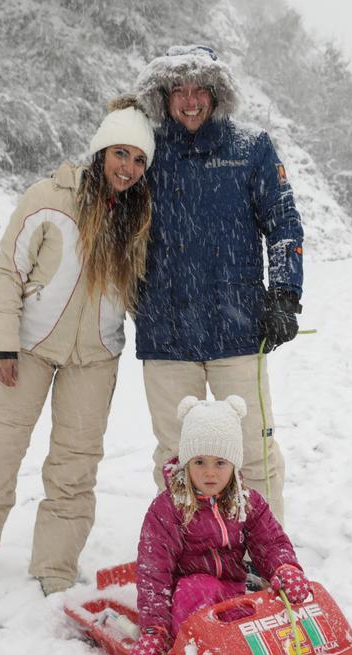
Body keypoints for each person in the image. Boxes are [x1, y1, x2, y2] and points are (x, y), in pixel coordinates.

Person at [0, 96, 155, 595]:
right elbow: (9, 270)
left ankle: (55, 567)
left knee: (75, 464)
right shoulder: (48, 197)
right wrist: (3, 345)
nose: (127, 168)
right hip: (28, 348)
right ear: (101, 150)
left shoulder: (140, 220)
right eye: (120, 153)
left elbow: (144, 293)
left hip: (96, 356)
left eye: (139, 159)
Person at [132, 44, 305, 522]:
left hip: (238, 326)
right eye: (178, 91)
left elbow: (284, 222)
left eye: (199, 90)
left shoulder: (251, 148)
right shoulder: (145, 149)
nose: (189, 101)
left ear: (216, 93)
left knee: (253, 450)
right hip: (165, 329)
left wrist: (285, 294)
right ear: (164, 97)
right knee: (174, 454)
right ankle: (186, 544)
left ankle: (264, 553)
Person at [129, 396, 312, 655]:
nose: (210, 473)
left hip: (234, 588)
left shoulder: (246, 501)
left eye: (220, 462)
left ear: (234, 464)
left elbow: (270, 541)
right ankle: (199, 654)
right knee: (197, 589)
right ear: (187, 462)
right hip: (186, 598)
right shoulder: (168, 509)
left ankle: (244, 653)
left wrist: (284, 567)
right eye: (200, 461)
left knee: (259, 607)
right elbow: (154, 572)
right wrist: (154, 630)